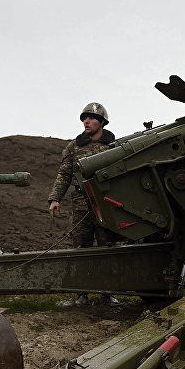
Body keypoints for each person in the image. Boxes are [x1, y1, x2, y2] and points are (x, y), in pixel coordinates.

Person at [47, 102, 120, 306]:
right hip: (81, 204)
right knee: (81, 249)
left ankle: (109, 293)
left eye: (91, 118)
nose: (86, 121)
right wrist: (55, 199)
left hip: (106, 204)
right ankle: (81, 294)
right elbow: (64, 174)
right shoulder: (74, 147)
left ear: (102, 122)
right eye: (84, 118)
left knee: (108, 247)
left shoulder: (113, 146)